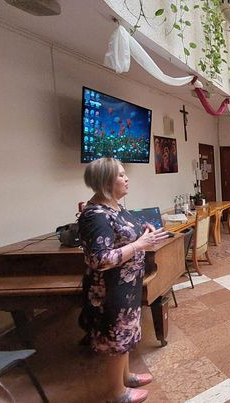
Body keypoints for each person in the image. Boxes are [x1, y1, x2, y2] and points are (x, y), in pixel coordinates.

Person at [78, 158, 170, 403]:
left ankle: (126, 377)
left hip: (127, 285)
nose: (126, 178)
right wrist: (140, 244)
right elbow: (99, 259)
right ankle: (117, 393)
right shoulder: (95, 215)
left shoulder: (115, 207)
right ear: (106, 181)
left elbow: (127, 235)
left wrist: (146, 232)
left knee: (125, 334)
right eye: (120, 175)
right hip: (110, 289)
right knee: (116, 339)